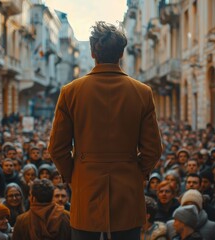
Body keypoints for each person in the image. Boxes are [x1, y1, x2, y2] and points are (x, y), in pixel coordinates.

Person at [48, 21, 162, 240]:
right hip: (128, 191)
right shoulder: (142, 92)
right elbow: (153, 149)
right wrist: (135, 172)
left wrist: (75, 176)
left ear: (92, 52)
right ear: (121, 53)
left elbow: (57, 149)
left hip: (85, 189)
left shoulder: (70, 92)